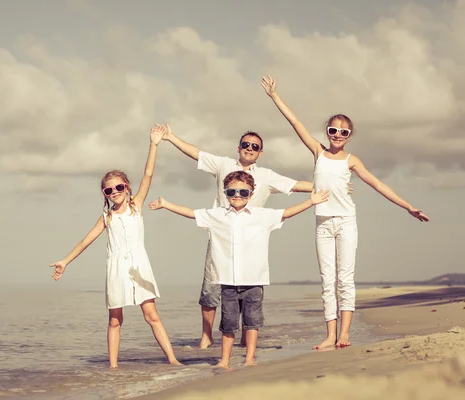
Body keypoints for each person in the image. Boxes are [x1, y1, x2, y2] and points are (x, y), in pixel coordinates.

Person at [261, 74, 430, 350]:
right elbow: (295, 123)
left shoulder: (352, 161)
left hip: (346, 223)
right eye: (333, 130)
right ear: (326, 131)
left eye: (344, 132)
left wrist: (407, 206)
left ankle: (344, 333)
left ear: (349, 137)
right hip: (322, 225)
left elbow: (377, 184)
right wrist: (274, 96)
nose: (337, 135)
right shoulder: (318, 152)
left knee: (345, 279)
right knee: (327, 281)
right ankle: (330, 335)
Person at [158, 123, 316, 348]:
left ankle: (245, 338)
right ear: (238, 147)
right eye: (246, 144)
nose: (249, 148)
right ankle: (207, 335)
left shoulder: (266, 175)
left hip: (251, 241)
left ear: (260, 152)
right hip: (221, 238)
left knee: (248, 289)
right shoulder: (224, 164)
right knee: (210, 288)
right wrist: (172, 137)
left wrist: (328, 186)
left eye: (255, 146)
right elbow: (196, 153)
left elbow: (296, 185)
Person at [149, 171, 329, 368]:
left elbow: (286, 212)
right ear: (225, 192)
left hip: (254, 279)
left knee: (252, 322)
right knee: (228, 324)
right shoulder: (216, 215)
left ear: (251, 194)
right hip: (227, 281)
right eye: (232, 191)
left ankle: (249, 358)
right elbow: (191, 213)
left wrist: (311, 202)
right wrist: (166, 204)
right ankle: (224, 360)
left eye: (243, 192)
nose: (237, 195)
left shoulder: (262, 215)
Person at [49, 125, 181, 368]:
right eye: (109, 190)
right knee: (115, 320)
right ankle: (113, 366)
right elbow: (86, 241)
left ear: (127, 187)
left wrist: (153, 144)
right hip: (116, 269)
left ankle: (172, 360)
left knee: (151, 315)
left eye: (119, 187)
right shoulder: (106, 217)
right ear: (105, 194)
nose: (115, 192)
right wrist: (65, 261)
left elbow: (148, 174)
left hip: (139, 266)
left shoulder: (136, 205)